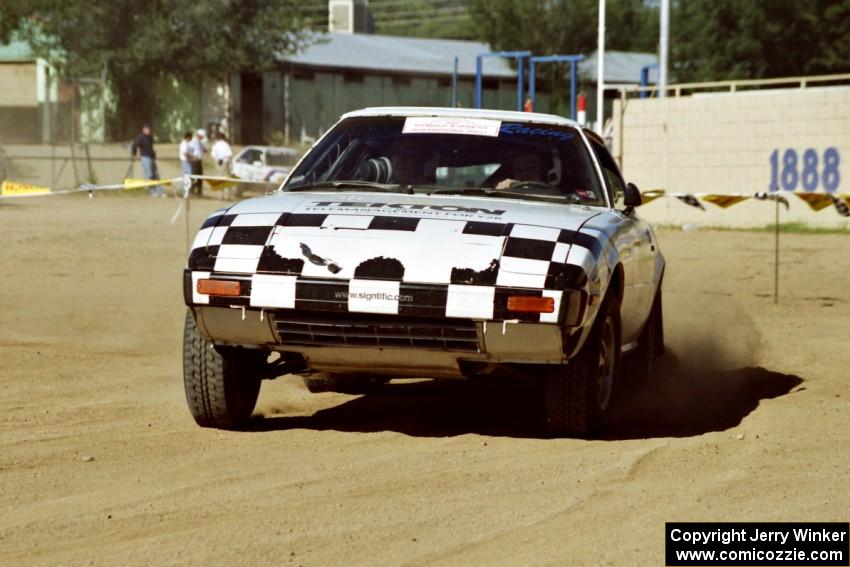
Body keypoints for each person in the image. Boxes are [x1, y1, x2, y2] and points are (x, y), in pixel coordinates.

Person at [130, 124, 164, 196]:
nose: (149, 131)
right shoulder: (140, 137)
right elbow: (134, 145)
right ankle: (152, 191)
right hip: (145, 158)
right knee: (149, 175)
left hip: (151, 158)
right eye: (147, 129)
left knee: (156, 174)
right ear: (144, 129)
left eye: (149, 129)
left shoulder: (150, 137)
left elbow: (151, 147)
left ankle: (160, 191)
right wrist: (134, 154)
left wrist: (154, 155)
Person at [210, 132, 235, 199]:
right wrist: (231, 165)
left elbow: (213, 156)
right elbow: (229, 156)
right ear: (224, 138)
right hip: (225, 163)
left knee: (219, 179)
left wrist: (215, 165)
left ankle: (220, 196)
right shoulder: (226, 145)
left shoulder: (215, 145)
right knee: (227, 179)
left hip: (218, 163)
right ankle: (227, 196)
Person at [189, 128, 207, 195]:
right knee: (194, 176)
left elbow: (204, 150)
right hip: (194, 161)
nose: (202, 138)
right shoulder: (193, 141)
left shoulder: (200, 142)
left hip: (199, 161)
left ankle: (199, 191)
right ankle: (192, 190)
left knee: (200, 176)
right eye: (202, 136)